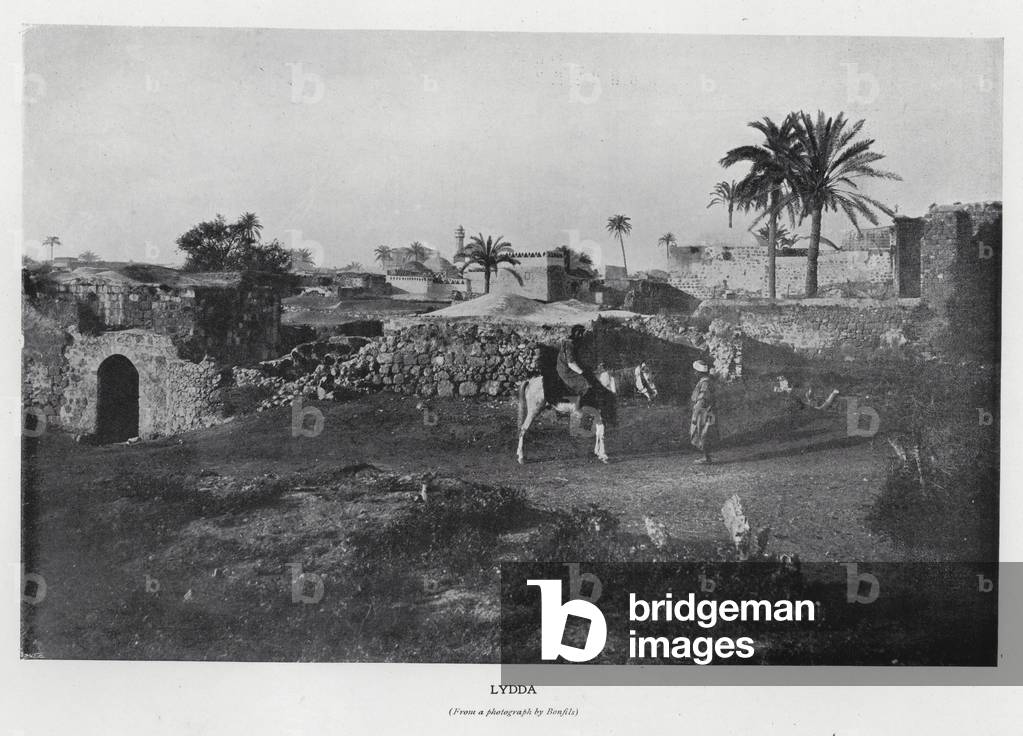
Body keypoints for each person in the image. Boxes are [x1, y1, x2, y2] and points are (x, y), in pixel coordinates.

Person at [556, 324, 617, 426]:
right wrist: (583, 372)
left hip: (571, 369)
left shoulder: (574, 343)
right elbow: (571, 363)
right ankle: (581, 418)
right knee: (587, 386)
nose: (582, 336)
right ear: (576, 333)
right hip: (566, 371)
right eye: (581, 334)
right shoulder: (569, 344)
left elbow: (578, 360)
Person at [689, 359, 718, 464]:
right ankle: (707, 456)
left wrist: (695, 414)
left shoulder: (705, 383)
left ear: (699, 372)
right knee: (704, 433)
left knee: (703, 434)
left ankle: (706, 457)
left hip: (704, 412)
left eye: (695, 371)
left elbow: (702, 399)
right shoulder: (706, 381)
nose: (694, 373)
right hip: (705, 411)